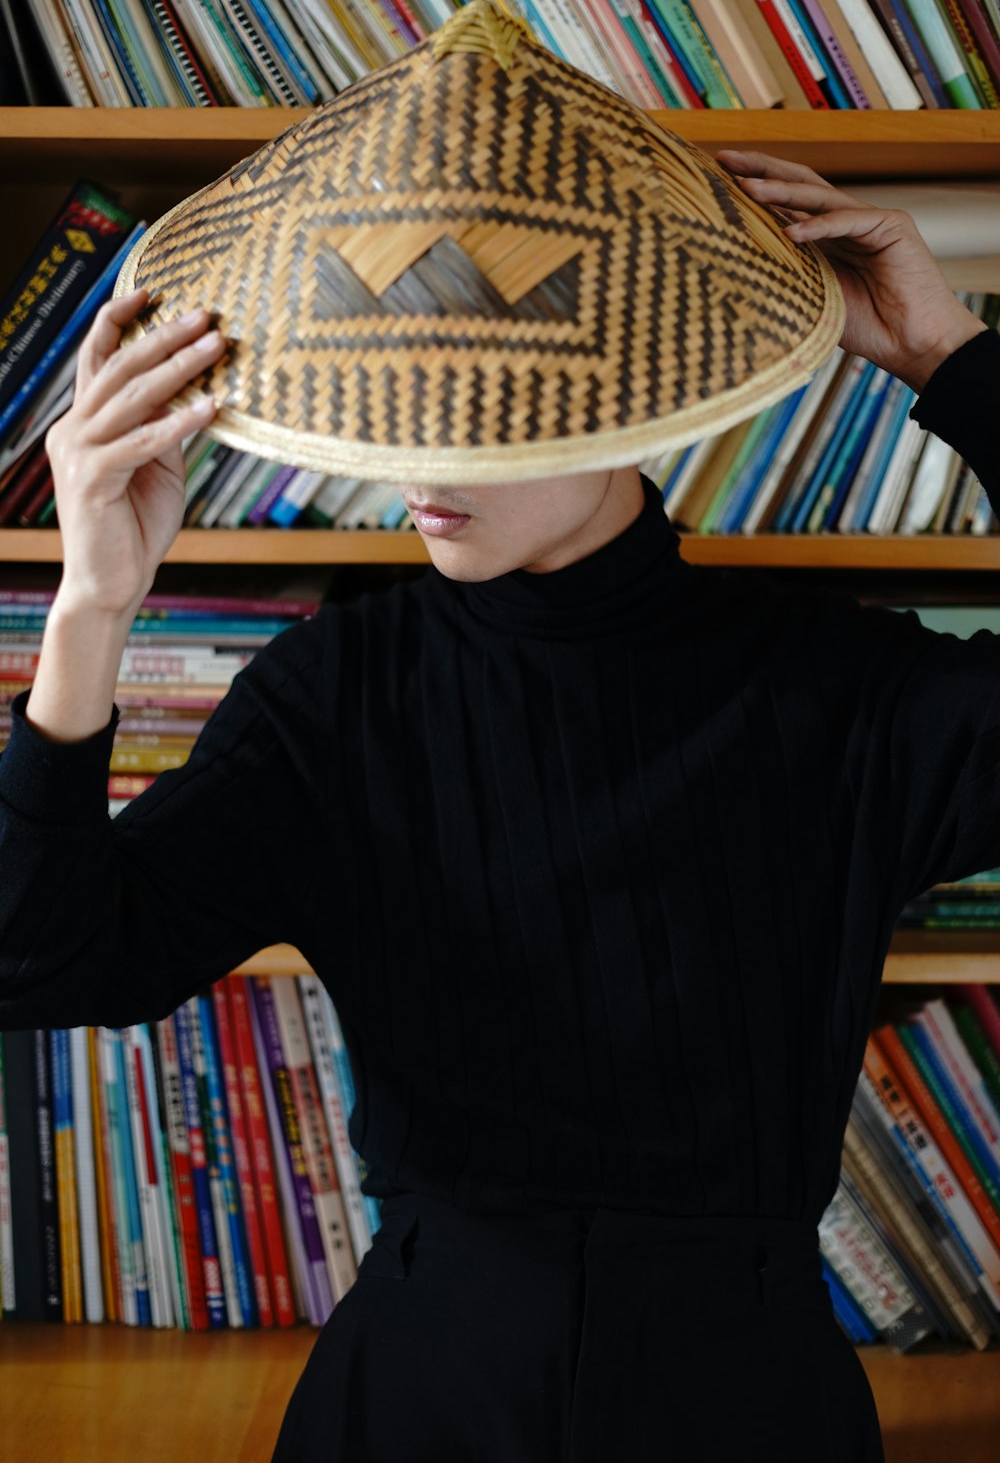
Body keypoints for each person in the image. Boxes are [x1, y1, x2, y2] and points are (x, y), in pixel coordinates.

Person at [0, 151, 997, 1462]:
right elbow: (44, 959)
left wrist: (950, 357)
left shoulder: (841, 693)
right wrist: (91, 609)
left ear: (645, 400)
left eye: (486, 402)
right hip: (415, 1403)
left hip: (750, 1408)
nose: (423, 451)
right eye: (398, 398)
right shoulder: (339, 692)